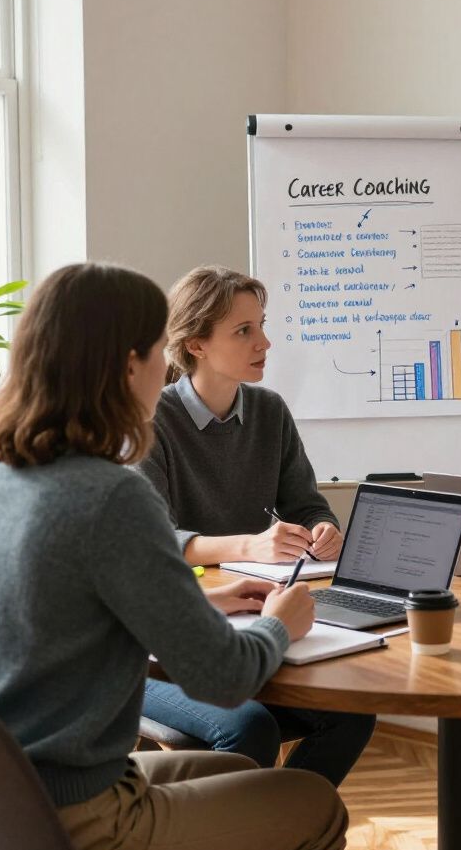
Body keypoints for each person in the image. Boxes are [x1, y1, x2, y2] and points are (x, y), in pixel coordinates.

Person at [0, 262, 346, 850]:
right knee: (314, 809)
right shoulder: (110, 497)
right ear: (129, 364)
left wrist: (198, 598)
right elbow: (222, 679)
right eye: (159, 349)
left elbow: (72, 609)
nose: (165, 364)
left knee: (249, 777)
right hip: (83, 828)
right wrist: (284, 621)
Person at [136, 265, 375, 779]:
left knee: (351, 713)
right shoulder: (151, 421)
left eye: (262, 324)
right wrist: (249, 546)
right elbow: (152, 545)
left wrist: (322, 529)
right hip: (166, 642)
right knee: (250, 728)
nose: (264, 341)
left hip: (250, 617)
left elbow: (306, 503)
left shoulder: (270, 411)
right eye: (244, 330)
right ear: (196, 344)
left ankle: (287, 843)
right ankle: (255, 845)